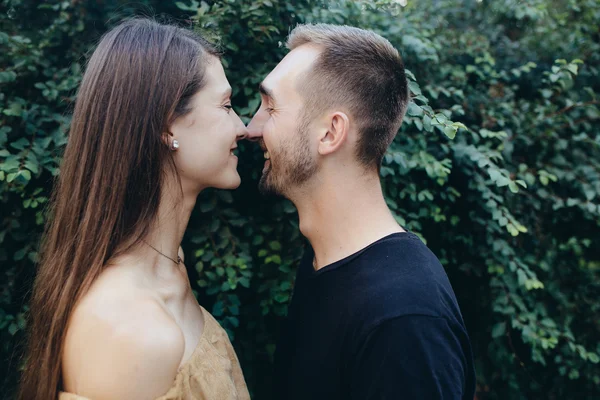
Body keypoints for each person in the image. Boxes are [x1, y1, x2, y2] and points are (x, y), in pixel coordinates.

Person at [18, 19, 250, 400]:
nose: (242, 127)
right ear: (167, 125)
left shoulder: (170, 265)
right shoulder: (129, 331)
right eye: (225, 106)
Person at [247, 23, 476, 399]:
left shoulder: (403, 318)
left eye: (270, 106)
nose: (250, 127)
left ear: (330, 133)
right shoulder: (325, 259)